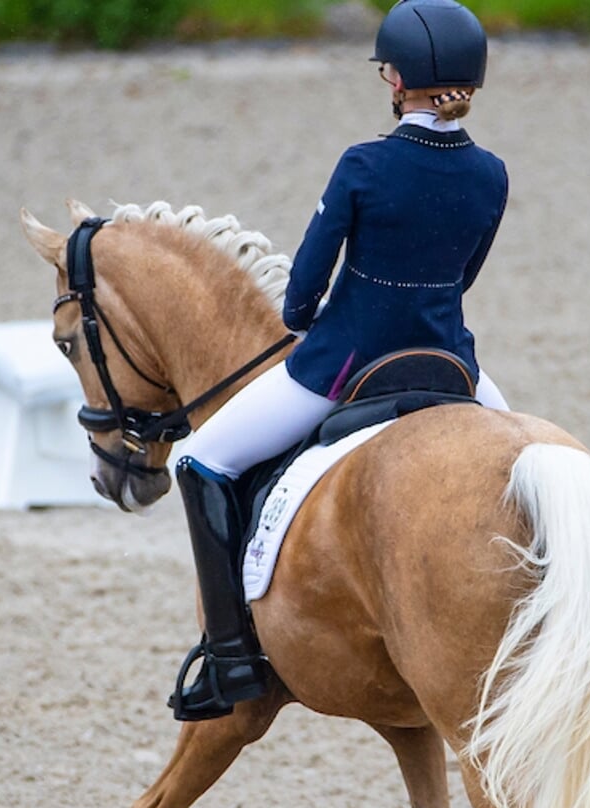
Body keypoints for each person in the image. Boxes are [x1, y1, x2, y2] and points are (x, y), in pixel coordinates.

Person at [168, 0, 510, 721]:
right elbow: (464, 275)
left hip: (343, 362)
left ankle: (229, 657)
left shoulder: (363, 164)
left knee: (199, 459)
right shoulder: (491, 174)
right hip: (452, 365)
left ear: (394, 78)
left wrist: (298, 321)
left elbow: (303, 289)